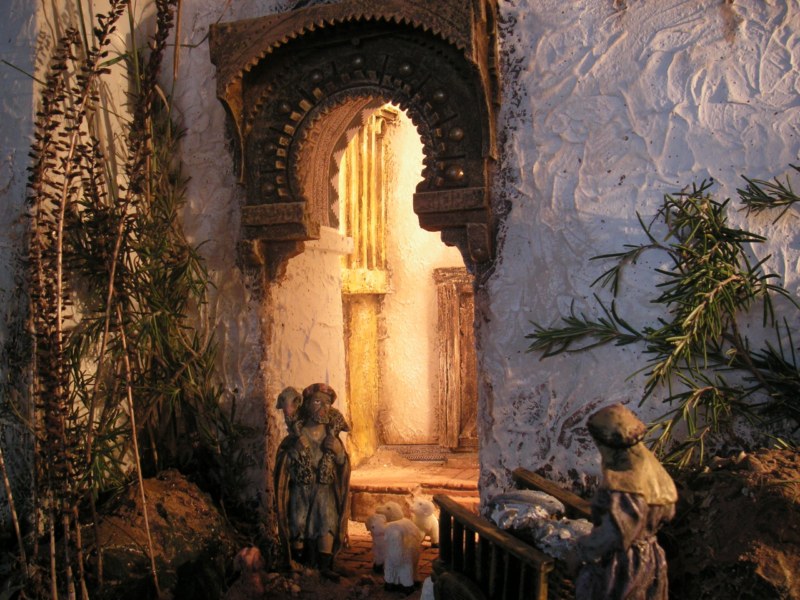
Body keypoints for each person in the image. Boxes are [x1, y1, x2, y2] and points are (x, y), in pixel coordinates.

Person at [567, 403, 677, 600]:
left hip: (624, 567)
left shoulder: (627, 486)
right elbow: (667, 512)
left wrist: (581, 550)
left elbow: (615, 533)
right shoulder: (653, 474)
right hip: (650, 558)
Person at [275, 383, 350, 580]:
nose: (324, 407)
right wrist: (294, 451)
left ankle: (325, 564)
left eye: (327, 403)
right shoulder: (297, 436)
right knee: (298, 521)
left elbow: (343, 465)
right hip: (301, 487)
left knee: (326, 520)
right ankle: (298, 561)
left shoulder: (331, 436)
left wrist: (339, 452)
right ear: (307, 404)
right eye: (318, 402)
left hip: (324, 488)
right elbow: (283, 463)